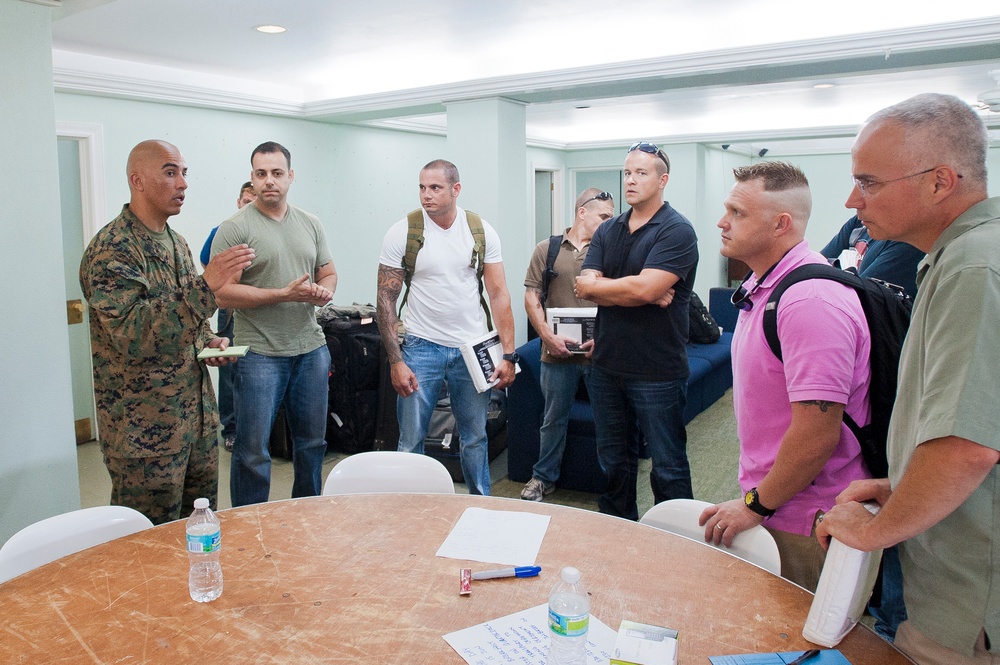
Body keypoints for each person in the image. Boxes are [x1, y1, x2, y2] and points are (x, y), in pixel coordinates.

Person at [816, 93, 1000, 665]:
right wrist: (900, 487)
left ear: (940, 181)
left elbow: (968, 446)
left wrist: (875, 532)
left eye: (867, 182)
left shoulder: (974, 267)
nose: (852, 200)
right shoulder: (960, 256)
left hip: (970, 606)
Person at [698, 161, 872, 592]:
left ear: (781, 224)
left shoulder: (809, 300)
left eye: (737, 213)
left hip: (806, 517)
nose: (722, 222)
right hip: (779, 504)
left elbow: (816, 436)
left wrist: (755, 507)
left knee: (796, 647)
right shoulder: (769, 287)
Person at [79, 140, 254, 524]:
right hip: (144, 436)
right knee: (146, 548)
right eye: (170, 172)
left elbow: (184, 318)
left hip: (195, 424)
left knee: (198, 534)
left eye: (184, 173)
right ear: (137, 181)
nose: (183, 184)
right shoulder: (113, 250)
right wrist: (206, 287)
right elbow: (132, 332)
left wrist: (208, 341)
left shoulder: (176, 243)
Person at [375, 159, 517, 496]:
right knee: (411, 439)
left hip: (471, 349)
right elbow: (385, 300)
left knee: (475, 436)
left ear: (456, 189)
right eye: (422, 187)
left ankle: (481, 503)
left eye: (435, 188)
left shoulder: (480, 231)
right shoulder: (403, 232)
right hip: (421, 347)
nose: (426, 195)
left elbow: (498, 293)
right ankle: (411, 508)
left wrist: (509, 354)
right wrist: (396, 361)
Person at [574, 142, 699, 520]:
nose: (631, 179)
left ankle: (679, 540)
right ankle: (620, 529)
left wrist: (626, 289)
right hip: (607, 365)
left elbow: (642, 289)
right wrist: (638, 291)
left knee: (668, 466)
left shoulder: (677, 231)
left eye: (641, 173)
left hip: (657, 371)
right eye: (627, 172)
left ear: (662, 180)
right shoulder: (608, 229)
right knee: (614, 462)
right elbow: (583, 286)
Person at [211, 141, 337, 507]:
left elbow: (328, 271)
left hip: (311, 350)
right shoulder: (234, 229)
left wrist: (322, 292)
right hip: (259, 355)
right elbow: (221, 294)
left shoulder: (310, 223)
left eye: (277, 174)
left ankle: (307, 514)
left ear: (290, 177)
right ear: (252, 178)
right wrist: (281, 294)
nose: (270, 181)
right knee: (252, 451)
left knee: (312, 444)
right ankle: (249, 525)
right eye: (261, 174)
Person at [520, 188, 615, 501]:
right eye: (604, 216)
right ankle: (542, 479)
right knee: (553, 419)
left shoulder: (611, 251)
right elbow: (532, 296)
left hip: (600, 353)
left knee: (610, 420)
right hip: (557, 354)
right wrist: (546, 335)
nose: (609, 223)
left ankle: (614, 485)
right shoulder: (547, 249)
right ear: (582, 212)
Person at [200, 181, 256, 452]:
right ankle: (231, 429)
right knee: (229, 370)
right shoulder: (224, 231)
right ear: (238, 202)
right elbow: (206, 263)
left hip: (259, 311)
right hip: (230, 309)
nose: (249, 206)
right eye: (246, 201)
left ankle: (254, 426)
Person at [820, 214, 924, 297]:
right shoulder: (858, 223)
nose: (850, 202)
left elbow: (858, 298)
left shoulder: (906, 238)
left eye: (868, 187)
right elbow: (812, 271)